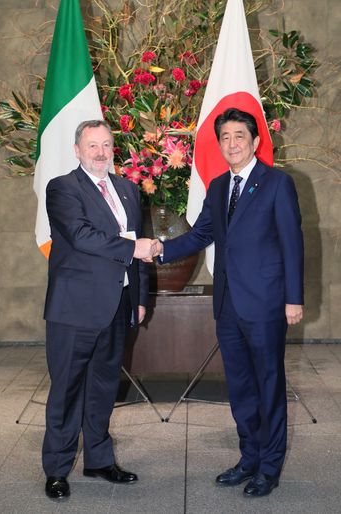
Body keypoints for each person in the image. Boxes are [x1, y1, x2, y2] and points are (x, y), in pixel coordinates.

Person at [153, 108, 304, 497]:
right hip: (228, 304)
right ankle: (248, 458)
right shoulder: (218, 187)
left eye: (240, 136)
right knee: (239, 387)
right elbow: (200, 234)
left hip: (267, 304)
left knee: (268, 385)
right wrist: (159, 249)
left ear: (255, 142)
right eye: (225, 137)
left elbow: (292, 243)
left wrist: (293, 299)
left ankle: (269, 468)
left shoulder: (277, 183)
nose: (232, 143)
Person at [42, 119, 154, 500]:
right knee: (67, 391)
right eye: (93, 146)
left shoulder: (127, 190)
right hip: (73, 309)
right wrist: (133, 249)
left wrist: (138, 298)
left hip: (116, 305)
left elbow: (136, 242)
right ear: (77, 150)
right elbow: (80, 234)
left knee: (104, 388)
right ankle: (57, 469)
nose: (101, 152)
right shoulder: (62, 188)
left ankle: (99, 460)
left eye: (107, 145)